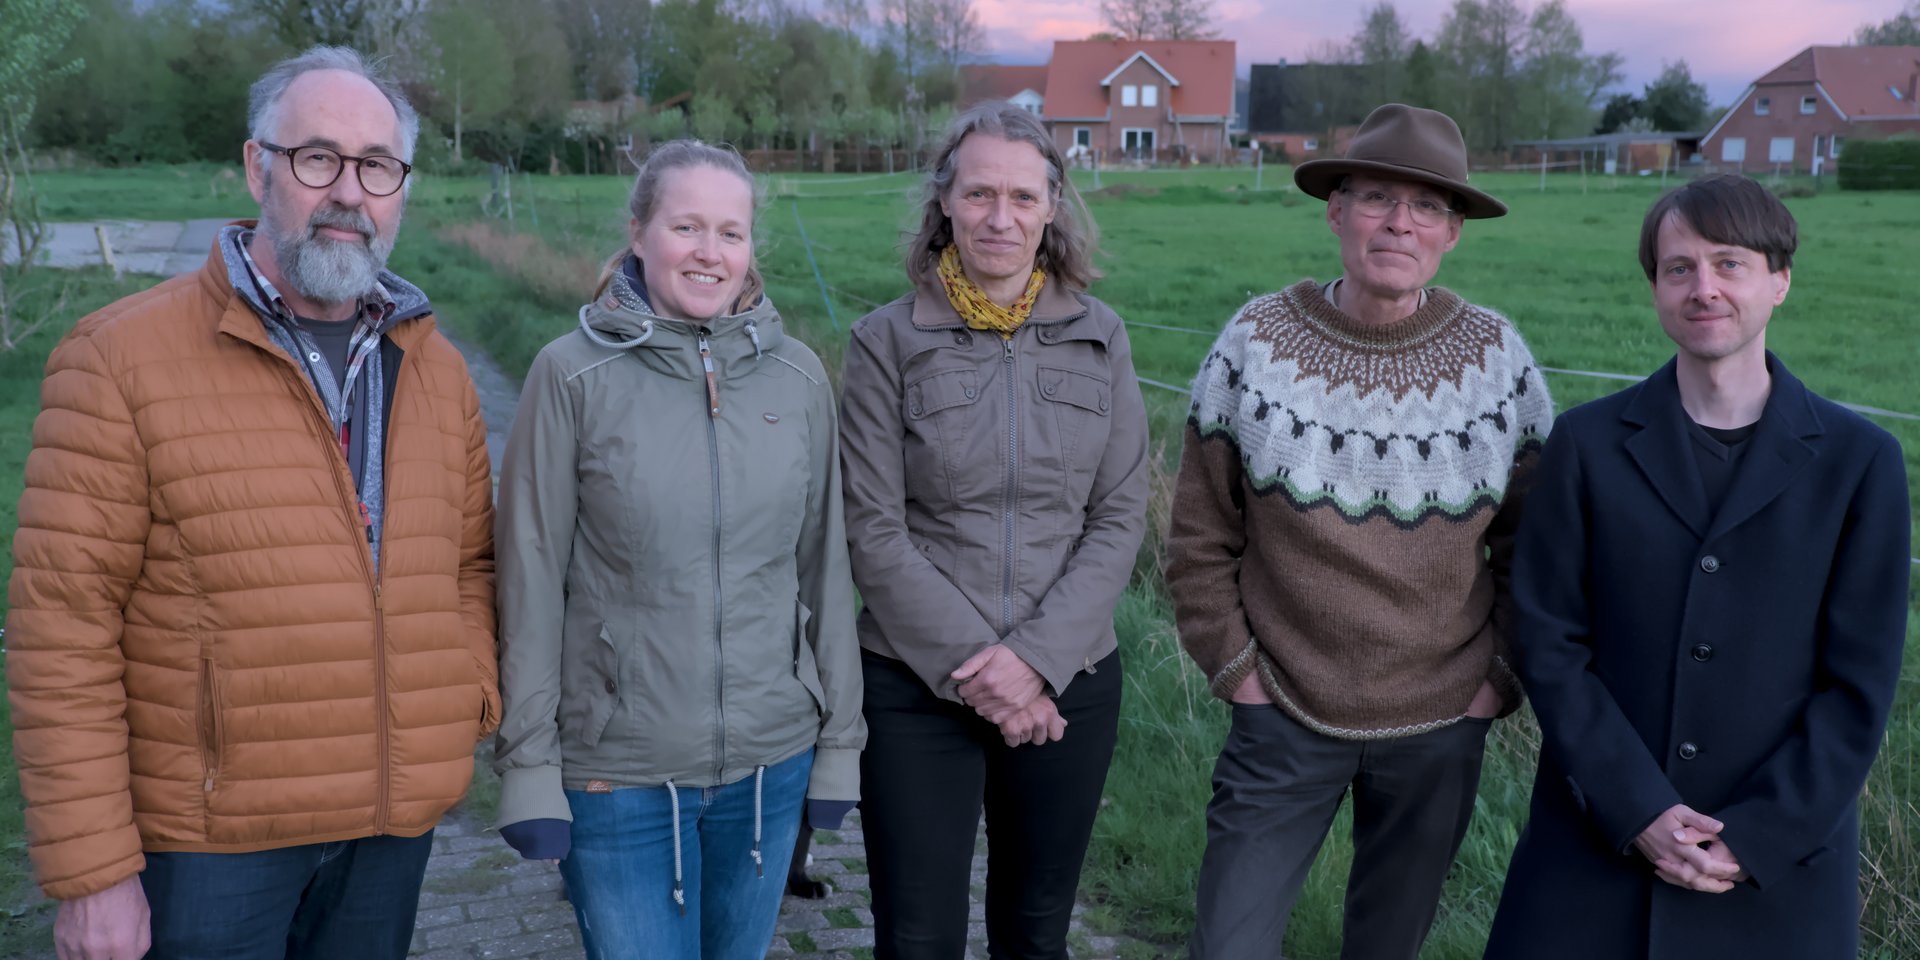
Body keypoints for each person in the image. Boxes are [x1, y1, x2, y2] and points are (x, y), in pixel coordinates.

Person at [4, 46, 499, 960]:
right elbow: (61, 628)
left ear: (400, 188)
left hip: (387, 829)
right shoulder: (119, 358)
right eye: (318, 157)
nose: (349, 191)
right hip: (211, 846)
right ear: (256, 165)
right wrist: (94, 873)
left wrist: (464, 694)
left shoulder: (438, 367)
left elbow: (469, 561)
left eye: (377, 165)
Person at [1483, 174, 1910, 958]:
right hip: (1594, 850)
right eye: (1679, 268)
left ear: (1780, 280)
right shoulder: (1586, 446)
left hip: (1776, 872)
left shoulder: (1860, 465)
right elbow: (1549, 641)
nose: (1703, 288)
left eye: (1729, 263)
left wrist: (1756, 836)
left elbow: (1859, 687)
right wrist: (1635, 807)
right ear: (1655, 286)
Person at [1166, 103, 1553, 959]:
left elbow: (1534, 550)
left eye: (1424, 208)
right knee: (1228, 944)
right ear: (1335, 210)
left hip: (1441, 719)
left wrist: (1497, 678)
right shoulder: (1255, 345)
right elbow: (1198, 532)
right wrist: (1236, 670)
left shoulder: (1498, 364)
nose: (1398, 223)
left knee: (1387, 948)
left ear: (1453, 232)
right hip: (1282, 712)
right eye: (1377, 197)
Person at [489, 139, 863, 960]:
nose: (710, 251)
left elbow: (825, 573)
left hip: (770, 768)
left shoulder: (797, 381)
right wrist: (527, 764)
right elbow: (529, 576)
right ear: (638, 233)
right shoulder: (571, 376)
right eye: (686, 226)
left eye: (731, 232)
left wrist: (839, 746)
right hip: (616, 776)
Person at [838, 101, 1149, 959]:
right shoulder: (884, 343)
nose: (999, 219)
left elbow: (1119, 516)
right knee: (916, 938)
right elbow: (873, 527)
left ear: (1053, 204)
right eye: (978, 195)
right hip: (913, 685)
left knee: (1036, 933)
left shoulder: (1102, 338)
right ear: (945, 200)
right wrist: (984, 673)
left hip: (1068, 683)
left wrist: (1036, 665)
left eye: (1021, 196)